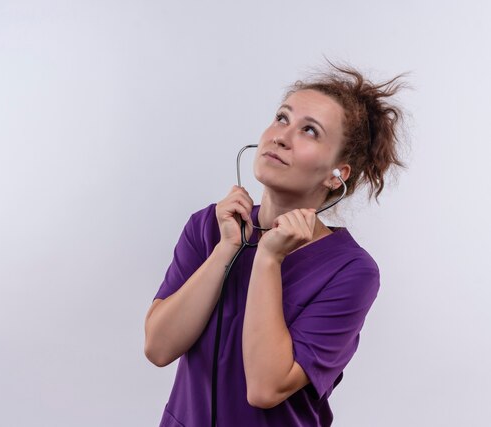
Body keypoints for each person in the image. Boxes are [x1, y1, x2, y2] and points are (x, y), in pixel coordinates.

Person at [144, 63, 407, 427]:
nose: (282, 136)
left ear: (337, 175)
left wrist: (268, 258)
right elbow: (158, 348)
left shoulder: (351, 271)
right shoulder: (209, 226)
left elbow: (266, 388)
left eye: (309, 131)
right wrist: (226, 249)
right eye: (282, 118)